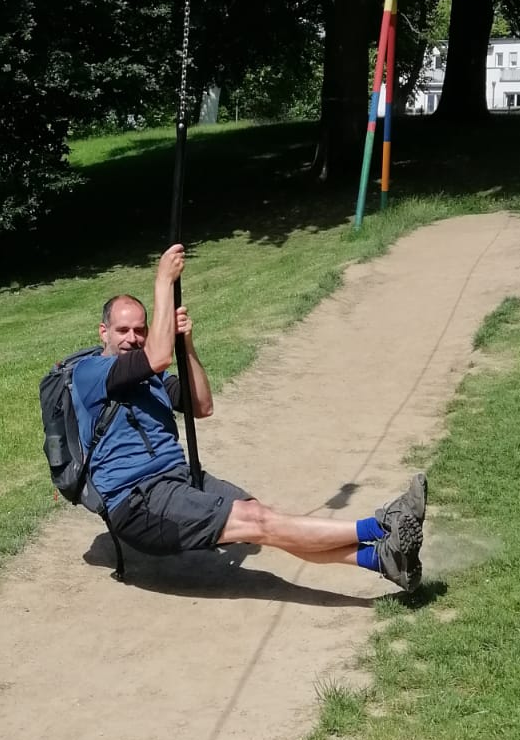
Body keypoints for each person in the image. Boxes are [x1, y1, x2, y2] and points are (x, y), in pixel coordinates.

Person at [70, 244, 424, 588]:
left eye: (140, 329)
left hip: (179, 478)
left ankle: (381, 559)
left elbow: (202, 406)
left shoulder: (153, 376)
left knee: (265, 517)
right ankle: (380, 526)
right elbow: (158, 355)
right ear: (103, 332)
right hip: (138, 501)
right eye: (122, 330)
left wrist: (187, 344)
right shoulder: (91, 373)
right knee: (258, 521)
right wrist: (163, 280)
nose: (133, 338)